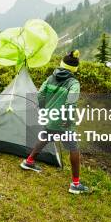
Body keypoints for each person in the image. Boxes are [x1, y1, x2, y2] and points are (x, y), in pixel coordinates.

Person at [20, 50, 90, 194]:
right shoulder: (73, 83)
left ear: (62, 64)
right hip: (63, 121)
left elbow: (40, 96)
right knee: (74, 148)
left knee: (46, 136)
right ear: (74, 69)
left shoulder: (50, 78)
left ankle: (29, 161)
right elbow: (71, 104)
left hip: (50, 117)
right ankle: (75, 184)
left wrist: (44, 109)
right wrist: (67, 119)